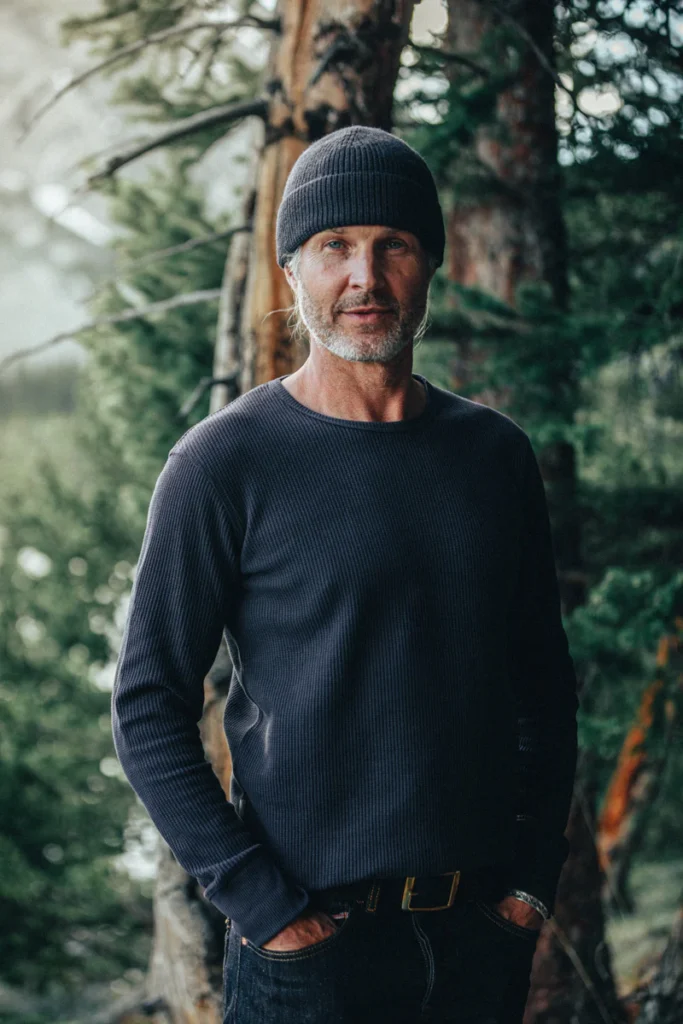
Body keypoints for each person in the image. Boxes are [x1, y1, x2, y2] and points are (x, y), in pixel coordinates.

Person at [112, 125, 579, 1024]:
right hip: (308, 951)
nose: (364, 276)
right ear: (291, 270)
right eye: (334, 246)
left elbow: (543, 688)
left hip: (477, 940)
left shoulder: (493, 456)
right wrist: (262, 905)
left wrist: (529, 884)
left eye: (392, 244)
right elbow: (145, 704)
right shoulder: (223, 462)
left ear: (430, 262)